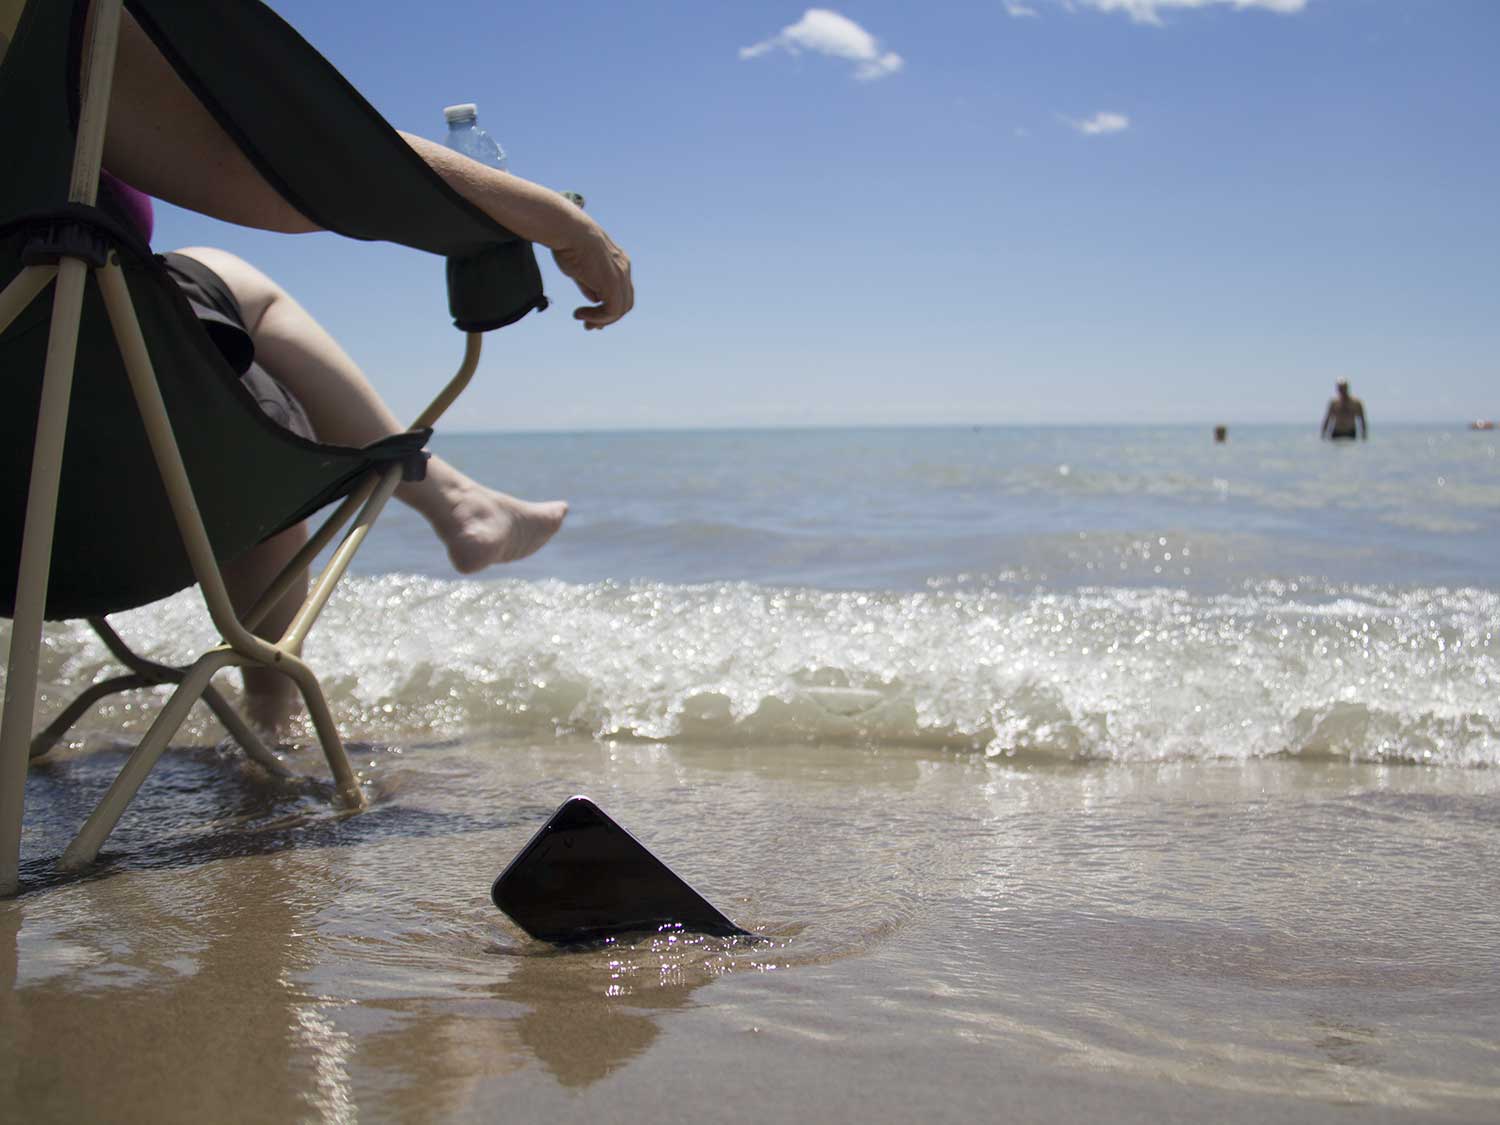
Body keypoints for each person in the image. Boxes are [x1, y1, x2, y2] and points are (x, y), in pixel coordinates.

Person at [2, 4, 635, 731]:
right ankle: (274, 704)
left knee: (213, 280)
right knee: (247, 400)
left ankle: (456, 501)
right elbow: (281, 162)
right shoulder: (34, 24)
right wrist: (556, 218)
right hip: (66, 501)